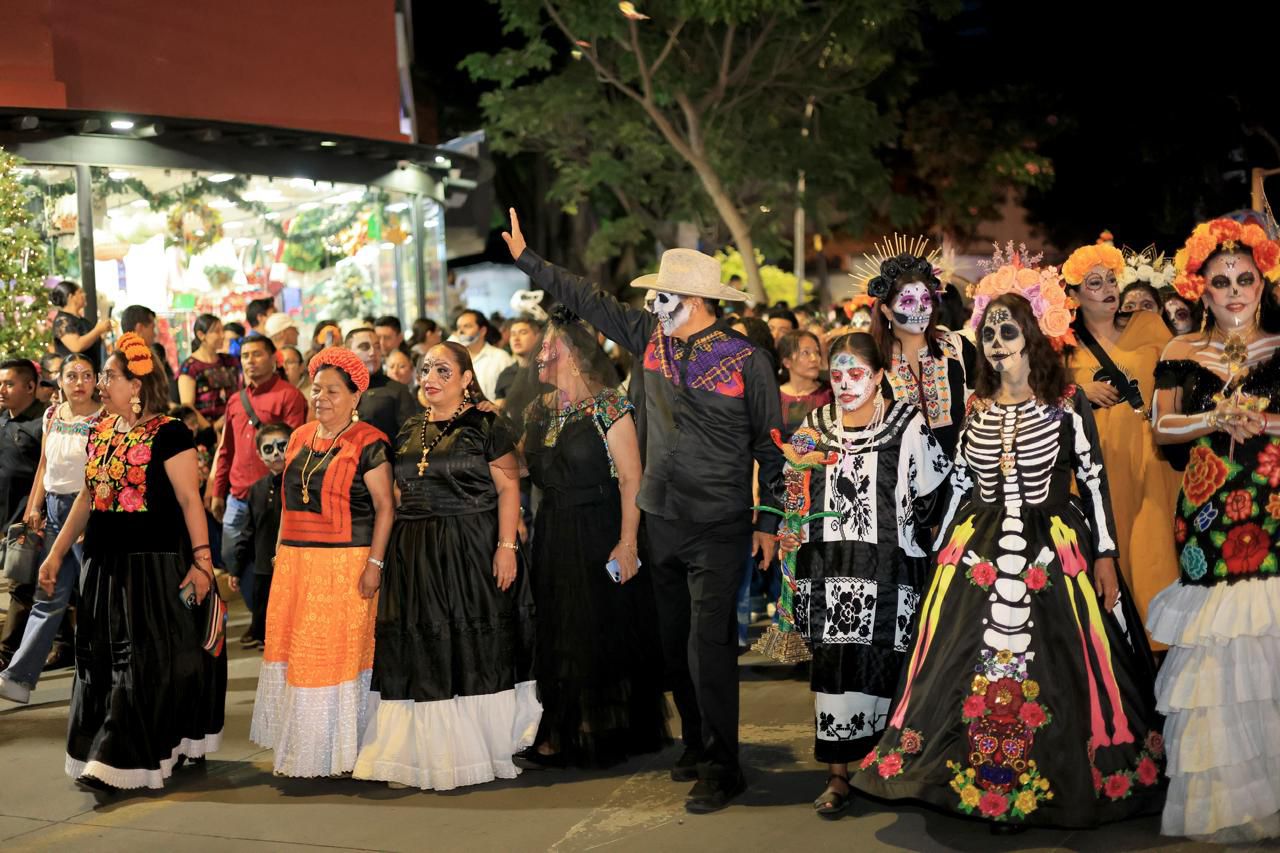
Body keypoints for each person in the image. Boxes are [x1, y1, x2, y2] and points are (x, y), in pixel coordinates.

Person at [853, 254, 1163, 830]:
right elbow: (962, 483)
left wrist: (1105, 555)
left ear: (1032, 338)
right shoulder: (976, 406)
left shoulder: (1066, 402)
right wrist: (940, 551)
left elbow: (1093, 479)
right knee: (957, 662)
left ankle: (1062, 780)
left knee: (1069, 668)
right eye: (990, 333)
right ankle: (980, 785)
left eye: (1008, 332)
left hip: (1055, 546)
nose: (996, 344)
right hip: (977, 549)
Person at [504, 209, 783, 813]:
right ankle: (696, 741)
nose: (655, 302)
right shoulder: (650, 340)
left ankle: (723, 765)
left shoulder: (747, 361)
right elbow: (589, 298)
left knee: (709, 642)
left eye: (665, 295)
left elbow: (771, 446)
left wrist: (769, 520)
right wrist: (529, 261)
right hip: (662, 517)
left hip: (719, 520)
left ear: (694, 299)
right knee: (672, 641)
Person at [40, 333, 225, 791]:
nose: (101, 384)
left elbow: (190, 500)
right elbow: (87, 497)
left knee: (145, 662)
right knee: (100, 660)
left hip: (152, 567)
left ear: (137, 386)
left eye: (109, 376)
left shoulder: (169, 432)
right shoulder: (99, 430)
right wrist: (57, 552)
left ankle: (122, 756)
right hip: (102, 563)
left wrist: (202, 563)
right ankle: (102, 748)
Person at [779, 332, 950, 818]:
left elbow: (936, 490)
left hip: (891, 568)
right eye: (836, 374)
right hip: (829, 569)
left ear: (878, 376)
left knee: (887, 667)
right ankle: (838, 776)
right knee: (834, 671)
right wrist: (790, 522)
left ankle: (889, 771)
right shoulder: (815, 424)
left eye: (856, 373)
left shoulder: (906, 422)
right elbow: (791, 486)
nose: (845, 383)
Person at [353, 342, 538, 790]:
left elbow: (509, 488)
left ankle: (477, 747)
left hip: (471, 546)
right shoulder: (409, 428)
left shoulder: (486, 425)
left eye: (442, 370)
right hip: (416, 551)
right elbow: (396, 493)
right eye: (425, 369)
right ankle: (417, 753)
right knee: (422, 646)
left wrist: (506, 546)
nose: (430, 378)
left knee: (472, 644)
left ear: (466, 378)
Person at [1148, 217, 1280, 843]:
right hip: (1206, 512)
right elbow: (1161, 428)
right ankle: (1231, 798)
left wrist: (1260, 420)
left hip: (1272, 507)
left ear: (1263, 283)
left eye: (1244, 280)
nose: (1234, 292)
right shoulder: (1179, 354)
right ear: (1200, 289)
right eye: (1221, 282)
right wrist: (1214, 417)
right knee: (1219, 643)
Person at [516, 309, 669, 769]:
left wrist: (628, 542)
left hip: (599, 529)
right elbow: (519, 467)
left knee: (598, 628)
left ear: (574, 355)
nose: (540, 354)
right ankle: (559, 728)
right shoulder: (538, 410)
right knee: (558, 629)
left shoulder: (609, 407)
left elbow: (631, 478)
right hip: (553, 531)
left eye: (549, 346)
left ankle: (597, 727)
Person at [250, 348, 394, 777]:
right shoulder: (298, 437)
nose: (321, 398)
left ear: (355, 397)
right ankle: (307, 749)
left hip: (346, 563)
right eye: (316, 390)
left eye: (333, 391)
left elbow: (386, 507)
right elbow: (288, 503)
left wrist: (375, 564)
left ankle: (343, 751)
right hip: (297, 563)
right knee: (298, 654)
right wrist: (280, 551)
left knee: (336, 657)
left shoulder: (370, 442)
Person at [1063, 242, 1180, 630]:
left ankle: (1160, 642)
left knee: (1155, 554)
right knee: (1110, 556)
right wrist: (1078, 390)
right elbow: (1038, 394)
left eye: (1111, 280)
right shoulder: (1063, 345)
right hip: (1100, 467)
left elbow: (1181, 375)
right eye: (1094, 283)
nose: (1108, 289)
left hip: (1151, 458)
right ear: (1074, 296)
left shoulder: (1147, 324)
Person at [0, 355, 102, 704]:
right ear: (59, 381)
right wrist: (34, 508)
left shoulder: (104, 419)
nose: (79, 382)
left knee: (94, 597)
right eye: (71, 375)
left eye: (86, 375)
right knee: (48, 595)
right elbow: (44, 466)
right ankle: (18, 678)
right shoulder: (52, 415)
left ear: (96, 380)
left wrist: (89, 517)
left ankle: (101, 676)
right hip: (55, 511)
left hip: (88, 512)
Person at [208, 335, 307, 641]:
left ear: (274, 358)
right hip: (238, 494)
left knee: (271, 559)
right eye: (246, 355)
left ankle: (272, 624)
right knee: (233, 557)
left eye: (257, 354)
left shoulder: (289, 396)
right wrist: (218, 490)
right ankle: (260, 616)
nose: (250, 360)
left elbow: (295, 447)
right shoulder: (236, 400)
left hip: (273, 495)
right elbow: (226, 448)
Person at [864, 239, 974, 459]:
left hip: (958, 473)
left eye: (925, 299)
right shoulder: (870, 361)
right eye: (908, 301)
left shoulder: (957, 348)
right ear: (886, 310)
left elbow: (990, 394)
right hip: (897, 473)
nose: (920, 308)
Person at [0, 360, 51, 671]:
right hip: (4, 521)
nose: (1, 390)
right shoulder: (2, 420)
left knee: (21, 586)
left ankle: (5, 653)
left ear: (30, 386)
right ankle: (64, 644)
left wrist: (37, 512)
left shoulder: (42, 423)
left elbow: (47, 471)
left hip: (29, 521)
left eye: (8, 383)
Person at [234, 422, 292, 649]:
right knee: (263, 604)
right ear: (259, 454)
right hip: (263, 564)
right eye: (269, 449)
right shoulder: (257, 489)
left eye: (282, 446)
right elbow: (249, 529)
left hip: (291, 561)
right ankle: (263, 636)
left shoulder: (299, 484)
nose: (276, 453)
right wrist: (237, 568)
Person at [346, 328, 418, 441]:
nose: (373, 352)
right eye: (364, 347)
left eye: (377, 347)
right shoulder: (337, 390)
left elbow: (410, 439)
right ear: (348, 352)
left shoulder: (397, 390)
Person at [179, 314, 241, 427]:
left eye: (222, 330)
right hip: (206, 431)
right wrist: (212, 428)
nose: (222, 335)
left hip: (234, 424)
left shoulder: (229, 361)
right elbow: (188, 406)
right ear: (201, 335)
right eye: (217, 331)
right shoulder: (189, 366)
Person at [777, 330, 834, 439]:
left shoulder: (829, 393)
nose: (815, 358)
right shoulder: (774, 397)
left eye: (817, 352)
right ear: (787, 362)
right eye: (805, 353)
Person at [120, 304, 176, 403]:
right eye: (152, 328)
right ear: (140, 328)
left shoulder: (115, 361)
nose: (154, 334)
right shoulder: (135, 361)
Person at [453, 309, 514, 401]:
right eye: (458, 328)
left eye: (467, 326)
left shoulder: (501, 358)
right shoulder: (455, 359)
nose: (460, 332)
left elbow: (512, 396)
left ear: (482, 331)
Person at [49, 280, 109, 370]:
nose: (84, 295)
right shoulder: (62, 320)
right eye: (80, 292)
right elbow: (76, 346)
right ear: (71, 297)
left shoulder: (82, 320)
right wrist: (98, 330)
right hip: (76, 372)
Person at [494, 315, 543, 407]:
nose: (516, 338)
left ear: (538, 337)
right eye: (512, 334)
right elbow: (499, 407)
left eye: (523, 333)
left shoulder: (549, 370)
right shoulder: (506, 374)